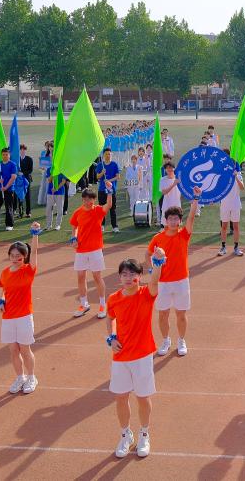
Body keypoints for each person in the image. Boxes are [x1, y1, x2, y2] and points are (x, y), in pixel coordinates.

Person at [107, 256, 163, 459]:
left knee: (142, 397)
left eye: (132, 274)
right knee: (121, 397)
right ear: (119, 277)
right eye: (124, 274)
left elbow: (155, 281)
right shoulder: (113, 298)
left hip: (142, 355)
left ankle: (144, 434)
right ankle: (125, 434)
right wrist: (111, 337)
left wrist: (158, 263)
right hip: (121, 356)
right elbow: (110, 318)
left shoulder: (146, 294)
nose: (128, 277)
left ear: (139, 276)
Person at [147, 186, 201, 357]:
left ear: (179, 221)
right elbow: (148, 254)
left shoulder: (184, 235)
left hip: (181, 281)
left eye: (175, 218)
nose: (172, 221)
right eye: (170, 218)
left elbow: (191, 217)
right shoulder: (157, 238)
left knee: (181, 314)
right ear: (166, 220)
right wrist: (151, 268)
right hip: (163, 283)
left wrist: (196, 198)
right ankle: (165, 340)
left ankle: (181, 340)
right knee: (163, 314)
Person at [0, 223, 42, 394]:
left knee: (25, 349)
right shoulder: (5, 272)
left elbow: (35, 251)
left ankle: (31, 377)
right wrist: (1, 300)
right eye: (12, 255)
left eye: (19, 256)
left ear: (24, 257)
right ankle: (20, 377)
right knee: (13, 350)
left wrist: (35, 234)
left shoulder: (28, 270)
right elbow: (4, 290)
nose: (15, 258)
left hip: (24, 315)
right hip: (8, 316)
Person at [69, 186, 113, 318]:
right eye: (85, 199)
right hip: (81, 249)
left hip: (95, 249)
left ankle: (102, 305)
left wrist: (109, 191)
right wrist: (74, 238)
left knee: (97, 277)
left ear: (94, 200)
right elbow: (74, 227)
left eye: (90, 199)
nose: (87, 201)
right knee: (80, 276)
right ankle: (84, 304)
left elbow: (109, 205)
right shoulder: (78, 212)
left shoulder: (98, 210)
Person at [218, 157, 244, 257]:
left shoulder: (239, 175)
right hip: (224, 204)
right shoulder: (223, 175)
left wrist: (236, 177)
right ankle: (223, 247)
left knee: (236, 226)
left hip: (235, 204)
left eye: (232, 164)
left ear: (234, 165)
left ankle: (236, 248)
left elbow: (242, 187)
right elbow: (218, 189)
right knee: (224, 226)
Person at [0, 148, 17, 232]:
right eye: (3, 155)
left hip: (9, 189)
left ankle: (9, 225)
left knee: (8, 207)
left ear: (9, 155)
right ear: (1, 155)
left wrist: (6, 187)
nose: (5, 156)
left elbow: (13, 177)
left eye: (6, 155)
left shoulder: (13, 164)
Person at [96, 149, 120, 233]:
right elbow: (97, 177)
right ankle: (102, 225)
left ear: (111, 155)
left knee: (112, 209)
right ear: (103, 155)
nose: (108, 156)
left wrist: (109, 180)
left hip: (111, 190)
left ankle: (115, 226)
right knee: (102, 208)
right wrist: (102, 173)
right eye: (106, 154)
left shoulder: (114, 164)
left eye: (109, 154)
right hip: (102, 190)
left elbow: (118, 176)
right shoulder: (100, 165)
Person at [158, 162, 181, 228]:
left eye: (171, 167)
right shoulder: (162, 180)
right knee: (166, 225)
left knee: (176, 225)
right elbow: (164, 192)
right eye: (167, 168)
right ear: (165, 170)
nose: (169, 169)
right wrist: (173, 184)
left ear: (174, 168)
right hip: (167, 205)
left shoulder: (179, 179)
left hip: (176, 205)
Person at [19, 145, 34, 218]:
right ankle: (20, 212)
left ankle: (28, 212)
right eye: (21, 149)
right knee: (19, 196)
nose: (22, 151)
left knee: (27, 195)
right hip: (19, 180)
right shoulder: (17, 159)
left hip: (27, 179)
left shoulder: (29, 159)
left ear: (25, 150)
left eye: (24, 149)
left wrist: (23, 173)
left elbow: (30, 170)